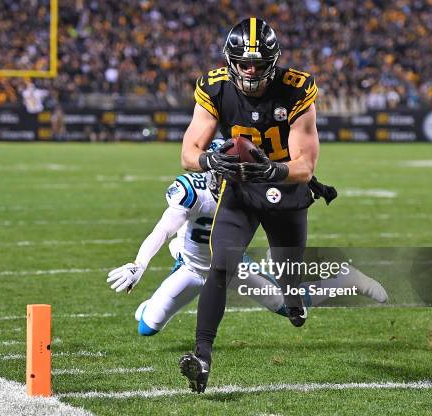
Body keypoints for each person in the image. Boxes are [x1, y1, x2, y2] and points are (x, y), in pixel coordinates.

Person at [178, 17, 332, 393]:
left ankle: (293, 299)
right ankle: (201, 356)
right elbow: (188, 152)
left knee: (287, 269)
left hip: (285, 187)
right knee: (220, 265)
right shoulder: (214, 87)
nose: (250, 70)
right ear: (230, 61)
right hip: (242, 189)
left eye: (258, 63)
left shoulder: (296, 89)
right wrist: (210, 162)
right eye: (243, 63)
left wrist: (273, 168)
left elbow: (305, 166)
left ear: (273, 60)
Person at [106, 142, 386, 337]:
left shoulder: (251, 187)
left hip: (233, 265)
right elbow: (163, 229)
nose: (231, 175)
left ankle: (347, 280)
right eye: (225, 169)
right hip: (193, 268)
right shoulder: (193, 190)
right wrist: (139, 264)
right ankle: (166, 280)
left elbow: (281, 205)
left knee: (286, 306)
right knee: (147, 327)